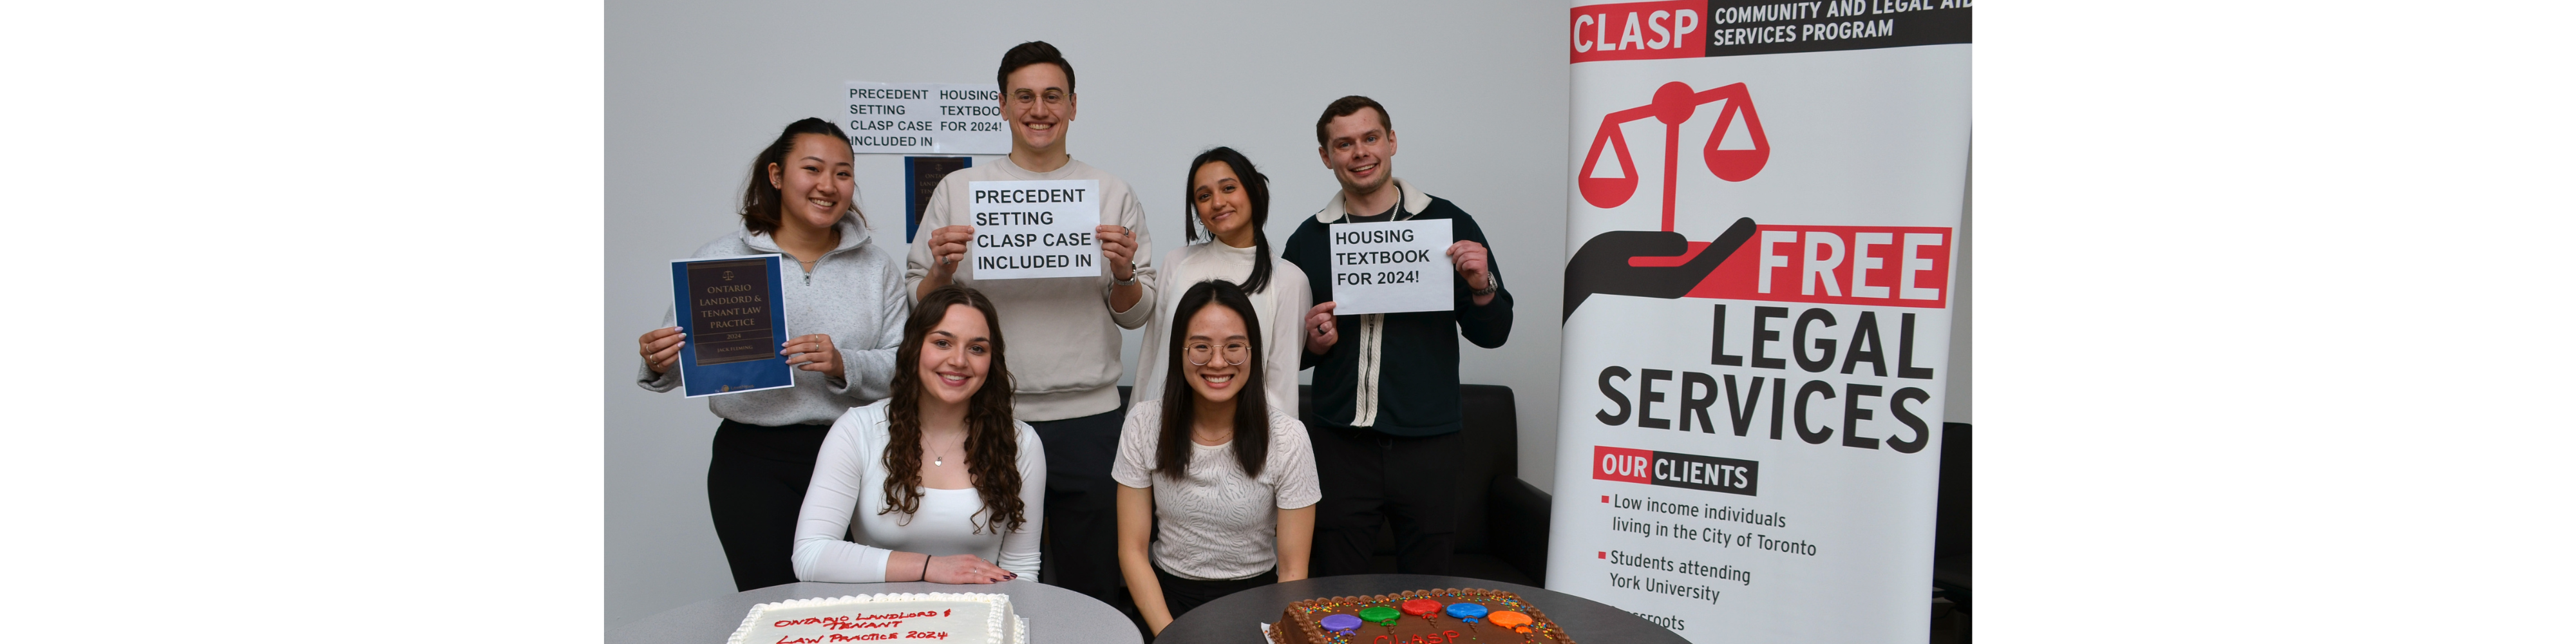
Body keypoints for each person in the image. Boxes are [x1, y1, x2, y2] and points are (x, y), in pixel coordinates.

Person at [905, 41, 1154, 603]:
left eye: (1052, 96)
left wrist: (1121, 272)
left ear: (1072, 106)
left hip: (1088, 418)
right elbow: (918, 308)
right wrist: (943, 268)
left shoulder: (1110, 193)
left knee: (1092, 580)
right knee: (985, 581)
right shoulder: (959, 191)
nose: (1038, 109)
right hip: (985, 415)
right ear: (1002, 105)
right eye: (1024, 96)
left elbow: (1138, 314)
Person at [636, 117, 909, 591]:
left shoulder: (877, 267)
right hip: (752, 463)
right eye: (813, 169)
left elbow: (905, 369)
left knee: (856, 611)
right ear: (777, 175)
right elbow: (684, 363)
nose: (829, 185)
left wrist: (845, 363)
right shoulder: (719, 261)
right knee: (771, 606)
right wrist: (660, 360)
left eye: (843, 173)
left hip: (856, 456)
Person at [1281, 96, 1514, 577]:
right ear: (1326, 157)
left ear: (1391, 142)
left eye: (1370, 138)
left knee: (1426, 593)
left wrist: (1481, 285)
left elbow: (1494, 334)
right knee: (1337, 592)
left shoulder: (1447, 223)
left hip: (1428, 444)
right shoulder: (1309, 239)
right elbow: (1288, 351)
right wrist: (1314, 343)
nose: (1360, 152)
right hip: (1340, 442)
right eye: (1344, 144)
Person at [791, 285, 1043, 583]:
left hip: (980, 620)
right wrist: (931, 568)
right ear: (914, 347)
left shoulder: (1020, 442)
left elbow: (1022, 569)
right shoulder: (856, 429)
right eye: (942, 343)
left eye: (977, 348)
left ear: (992, 361)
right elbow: (811, 555)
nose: (959, 361)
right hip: (878, 622)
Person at [1114, 280, 1319, 634]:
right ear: (1180, 351)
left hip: (1258, 604)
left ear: (1253, 352)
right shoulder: (1144, 423)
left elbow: (1292, 572)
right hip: (1164, 603)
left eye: (1234, 347)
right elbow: (1132, 551)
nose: (1218, 362)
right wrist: (1172, 636)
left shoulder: (1289, 437)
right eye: (1201, 347)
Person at [1132, 147, 1311, 410]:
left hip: (1246, 442)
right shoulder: (1177, 263)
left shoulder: (1289, 280)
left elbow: (1281, 389)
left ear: (1256, 191)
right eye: (1204, 196)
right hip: (1167, 434)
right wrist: (1135, 428)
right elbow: (1152, 362)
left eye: (1228, 188)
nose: (1217, 203)